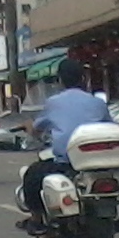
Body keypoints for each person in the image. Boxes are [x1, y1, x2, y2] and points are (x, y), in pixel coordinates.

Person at [20, 57, 112, 228]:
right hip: (99, 163)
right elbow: (110, 125)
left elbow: (37, 129)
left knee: (32, 175)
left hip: (66, 163)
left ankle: (36, 218)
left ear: (60, 80)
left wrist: (29, 127)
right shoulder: (98, 102)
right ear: (83, 78)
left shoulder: (54, 103)